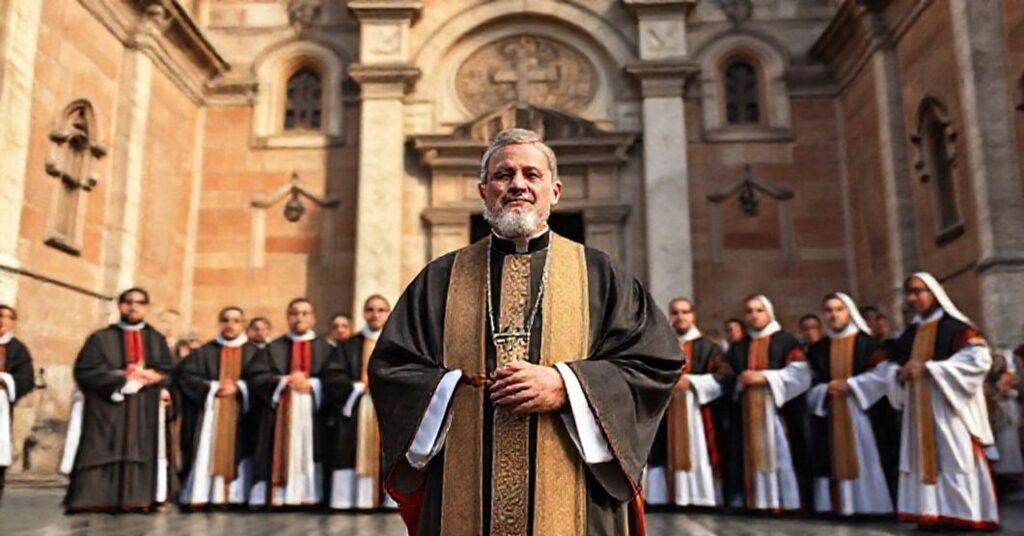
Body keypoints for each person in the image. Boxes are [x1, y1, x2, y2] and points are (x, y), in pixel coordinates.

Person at [368, 128, 681, 535]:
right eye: (503, 175)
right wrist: (453, 389)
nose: (517, 185)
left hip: (573, 486)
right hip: (463, 481)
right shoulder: (441, 278)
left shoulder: (600, 273)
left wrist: (567, 385)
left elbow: (655, 360)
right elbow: (392, 366)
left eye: (532, 175)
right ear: (483, 191)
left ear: (555, 190)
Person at [886, 272, 998, 530]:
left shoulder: (957, 328)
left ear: (934, 293)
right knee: (922, 458)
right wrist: (898, 374)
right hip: (918, 409)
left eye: (919, 291)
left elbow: (979, 359)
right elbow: (890, 365)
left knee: (955, 457)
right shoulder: (910, 333)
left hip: (948, 406)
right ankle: (931, 512)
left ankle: (965, 514)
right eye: (909, 293)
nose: (913, 298)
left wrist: (929, 368)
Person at [63, 288, 177, 513]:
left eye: (139, 303)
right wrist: (122, 378)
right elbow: (86, 370)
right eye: (128, 302)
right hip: (108, 408)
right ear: (120, 305)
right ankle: (95, 498)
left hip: (145, 407)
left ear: (146, 307)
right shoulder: (100, 338)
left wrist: (158, 379)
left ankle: (139, 499)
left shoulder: (156, 339)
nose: (133, 307)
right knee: (102, 447)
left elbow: (170, 372)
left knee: (141, 449)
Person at [245, 298, 348, 508]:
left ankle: (311, 495)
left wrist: (313, 384)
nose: (299, 318)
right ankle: (279, 496)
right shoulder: (272, 348)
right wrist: (284, 381)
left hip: (314, 415)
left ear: (313, 318)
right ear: (287, 317)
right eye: (294, 313)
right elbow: (255, 376)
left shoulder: (328, 349)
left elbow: (337, 379)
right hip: (279, 414)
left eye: (304, 313)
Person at [805, 293, 896, 517]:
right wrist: (824, 389)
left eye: (839, 309)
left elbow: (883, 375)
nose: (833, 315)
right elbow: (809, 382)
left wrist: (852, 385)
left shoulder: (869, 344)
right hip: (830, 413)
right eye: (829, 310)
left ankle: (872, 506)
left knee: (868, 456)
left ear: (849, 312)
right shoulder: (818, 349)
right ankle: (836, 506)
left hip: (863, 412)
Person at [721, 294, 811, 512]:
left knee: (780, 453)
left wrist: (766, 378)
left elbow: (801, 374)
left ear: (769, 312)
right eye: (749, 311)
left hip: (778, 413)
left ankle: (784, 501)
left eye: (759, 310)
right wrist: (740, 380)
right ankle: (753, 500)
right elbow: (726, 376)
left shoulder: (786, 341)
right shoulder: (738, 347)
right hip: (746, 414)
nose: (754, 315)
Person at [646, 298, 728, 508]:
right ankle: (662, 497)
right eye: (675, 312)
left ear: (693, 315)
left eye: (685, 312)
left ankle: (699, 497)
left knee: (699, 449)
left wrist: (691, 381)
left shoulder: (709, 347)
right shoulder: (658, 346)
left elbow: (724, 377)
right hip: (664, 412)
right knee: (660, 450)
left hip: (697, 413)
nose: (680, 317)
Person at [177, 307, 260, 507]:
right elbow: (185, 376)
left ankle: (236, 495)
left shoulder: (255, 353)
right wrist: (213, 387)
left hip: (242, 414)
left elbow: (261, 379)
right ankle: (204, 494)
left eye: (235, 320)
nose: (230, 325)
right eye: (225, 320)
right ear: (219, 323)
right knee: (206, 450)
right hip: (210, 414)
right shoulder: (204, 352)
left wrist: (240, 387)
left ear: (242, 324)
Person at [329, 295, 393, 510]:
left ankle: (389, 499)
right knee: (350, 448)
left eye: (381, 310)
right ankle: (354, 499)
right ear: (364, 313)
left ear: (388, 314)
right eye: (370, 309)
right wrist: (355, 387)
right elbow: (333, 375)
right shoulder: (349, 346)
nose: (375, 314)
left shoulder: (398, 344)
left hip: (388, 407)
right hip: (357, 405)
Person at [0, 305, 34, 504]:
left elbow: (26, 378)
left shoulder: (17, 349)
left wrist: (5, 379)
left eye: (8, 317)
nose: (3, 320)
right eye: (0, 315)